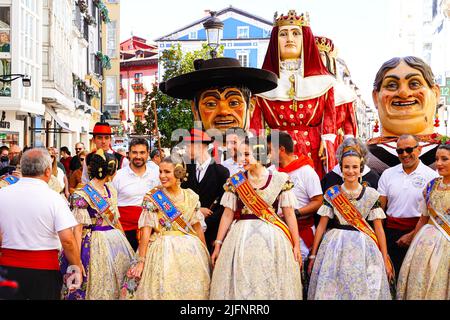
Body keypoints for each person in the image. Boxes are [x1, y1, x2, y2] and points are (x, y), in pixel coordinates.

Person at [210, 137, 302, 299]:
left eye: (246, 154)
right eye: (239, 154)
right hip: (240, 238)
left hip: (273, 240)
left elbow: (289, 214)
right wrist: (218, 244)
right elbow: (227, 214)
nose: (241, 158)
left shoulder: (280, 179)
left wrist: (296, 245)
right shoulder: (236, 181)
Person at [250, 10, 337, 179]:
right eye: (283, 34)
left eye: (295, 33)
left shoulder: (324, 82)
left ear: (305, 39)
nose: (289, 39)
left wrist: (327, 142)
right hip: (276, 152)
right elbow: (256, 127)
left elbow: (329, 121)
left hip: (313, 151)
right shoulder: (262, 84)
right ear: (275, 41)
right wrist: (258, 154)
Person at [307, 144, 393, 300]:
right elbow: (321, 226)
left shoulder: (372, 195)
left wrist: (385, 257)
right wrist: (313, 255)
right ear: (341, 169)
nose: (351, 171)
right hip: (334, 246)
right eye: (346, 167)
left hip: (365, 247)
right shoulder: (332, 193)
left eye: (355, 167)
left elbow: (379, 229)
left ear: (361, 169)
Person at [121, 157, 210, 300]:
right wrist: (142, 260)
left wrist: (205, 254)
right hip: (161, 248)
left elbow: (197, 227)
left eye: (167, 172)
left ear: (179, 173)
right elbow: (146, 230)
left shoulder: (191, 196)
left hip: (189, 252)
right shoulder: (154, 196)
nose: (162, 176)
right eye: (160, 171)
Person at [0, 148, 82, 300]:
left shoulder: (2, 194)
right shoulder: (54, 199)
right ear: (47, 171)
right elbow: (68, 240)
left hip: (7, 268)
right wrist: (76, 266)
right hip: (44, 269)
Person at [60, 149, 134, 300]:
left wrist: (126, 242)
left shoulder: (110, 189)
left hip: (115, 239)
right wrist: (77, 260)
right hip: (92, 242)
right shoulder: (81, 195)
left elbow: (115, 219)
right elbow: (77, 229)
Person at [159, 56, 278, 135]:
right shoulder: (188, 161)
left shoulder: (265, 159)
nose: (224, 111)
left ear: (251, 106)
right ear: (195, 110)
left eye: (234, 103)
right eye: (211, 104)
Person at [378, 134, 439, 278]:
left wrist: (413, 235)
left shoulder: (432, 177)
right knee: (391, 276)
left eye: (409, 149)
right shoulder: (387, 174)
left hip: (420, 233)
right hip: (391, 233)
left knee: (416, 278)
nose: (404, 154)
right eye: (400, 151)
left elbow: (434, 215)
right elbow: (379, 210)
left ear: (419, 149)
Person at [368, 56, 442, 175]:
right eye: (392, 85)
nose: (403, 93)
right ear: (376, 97)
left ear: (435, 93)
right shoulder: (360, 155)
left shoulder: (444, 149)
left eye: (414, 83)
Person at [396, 143, 450, 299]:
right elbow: (424, 218)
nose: (439, 163)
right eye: (437, 159)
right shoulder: (431, 186)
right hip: (424, 244)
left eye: (444, 159)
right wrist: (412, 238)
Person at [269, 131, 323, 263]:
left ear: (281, 149)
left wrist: (296, 213)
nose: (267, 154)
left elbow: (318, 201)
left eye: (269, 150)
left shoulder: (306, 171)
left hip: (302, 230)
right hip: (276, 228)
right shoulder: (270, 171)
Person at [181, 129, 230, 253]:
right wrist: (197, 211)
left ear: (200, 145)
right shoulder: (186, 169)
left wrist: (207, 223)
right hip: (189, 230)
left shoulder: (221, 171)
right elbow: (182, 198)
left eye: (189, 145)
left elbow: (223, 205)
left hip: (212, 232)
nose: (186, 148)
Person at [112, 138, 160, 251]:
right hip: (124, 232)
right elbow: (111, 206)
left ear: (148, 154)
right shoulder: (118, 176)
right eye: (135, 152)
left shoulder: (157, 174)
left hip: (151, 231)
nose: (138, 156)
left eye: (142, 152)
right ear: (129, 153)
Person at [315, 36, 357, 145]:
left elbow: (348, 127)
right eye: (314, 55)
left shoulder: (343, 93)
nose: (317, 58)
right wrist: (266, 157)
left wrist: (349, 149)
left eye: (322, 54)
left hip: (334, 145)